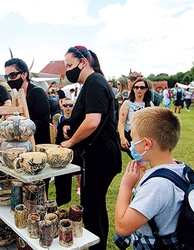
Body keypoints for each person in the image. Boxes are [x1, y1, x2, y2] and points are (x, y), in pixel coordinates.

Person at [61, 45, 122, 250]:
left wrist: (70, 142)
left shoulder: (95, 82)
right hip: (99, 155)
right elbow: (86, 118)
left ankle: (97, 246)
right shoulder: (90, 84)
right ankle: (100, 245)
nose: (67, 70)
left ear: (83, 62)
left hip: (100, 156)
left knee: (91, 208)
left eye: (69, 65)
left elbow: (93, 121)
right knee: (96, 207)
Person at [114, 107, 184, 249]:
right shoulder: (180, 168)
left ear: (147, 144)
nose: (132, 144)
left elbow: (122, 227)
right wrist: (143, 177)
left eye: (133, 138)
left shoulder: (157, 185)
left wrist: (126, 186)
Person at [4, 57, 51, 192]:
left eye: (12, 75)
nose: (9, 79)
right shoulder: (15, 95)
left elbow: (43, 122)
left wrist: (18, 122)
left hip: (37, 150)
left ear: (24, 74)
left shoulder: (36, 93)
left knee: (37, 192)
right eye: (6, 76)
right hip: (21, 150)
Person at [54, 98, 81, 205]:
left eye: (70, 105)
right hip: (63, 147)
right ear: (62, 107)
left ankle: (79, 186)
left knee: (78, 169)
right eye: (66, 105)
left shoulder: (77, 119)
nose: (68, 107)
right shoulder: (60, 119)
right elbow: (57, 134)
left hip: (74, 148)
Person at [118, 77, 153, 159]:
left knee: (142, 162)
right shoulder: (127, 103)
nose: (139, 89)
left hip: (144, 137)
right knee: (138, 161)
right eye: (136, 87)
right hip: (130, 136)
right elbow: (121, 122)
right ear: (133, 89)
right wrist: (122, 137)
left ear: (146, 89)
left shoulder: (150, 104)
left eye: (142, 87)